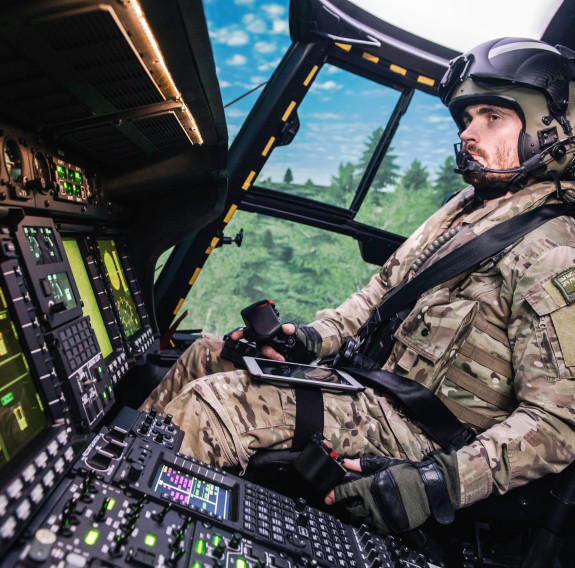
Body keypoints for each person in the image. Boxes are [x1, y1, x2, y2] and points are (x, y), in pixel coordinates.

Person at [141, 37, 575, 535]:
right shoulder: (464, 209)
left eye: (492, 117)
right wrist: (308, 339)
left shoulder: (556, 249)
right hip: (370, 388)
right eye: (466, 119)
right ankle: (106, 481)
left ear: (550, 127)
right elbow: (379, 293)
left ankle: (124, 528)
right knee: (206, 356)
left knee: (213, 406)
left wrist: (439, 482)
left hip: (425, 436)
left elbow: (557, 424)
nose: (469, 133)